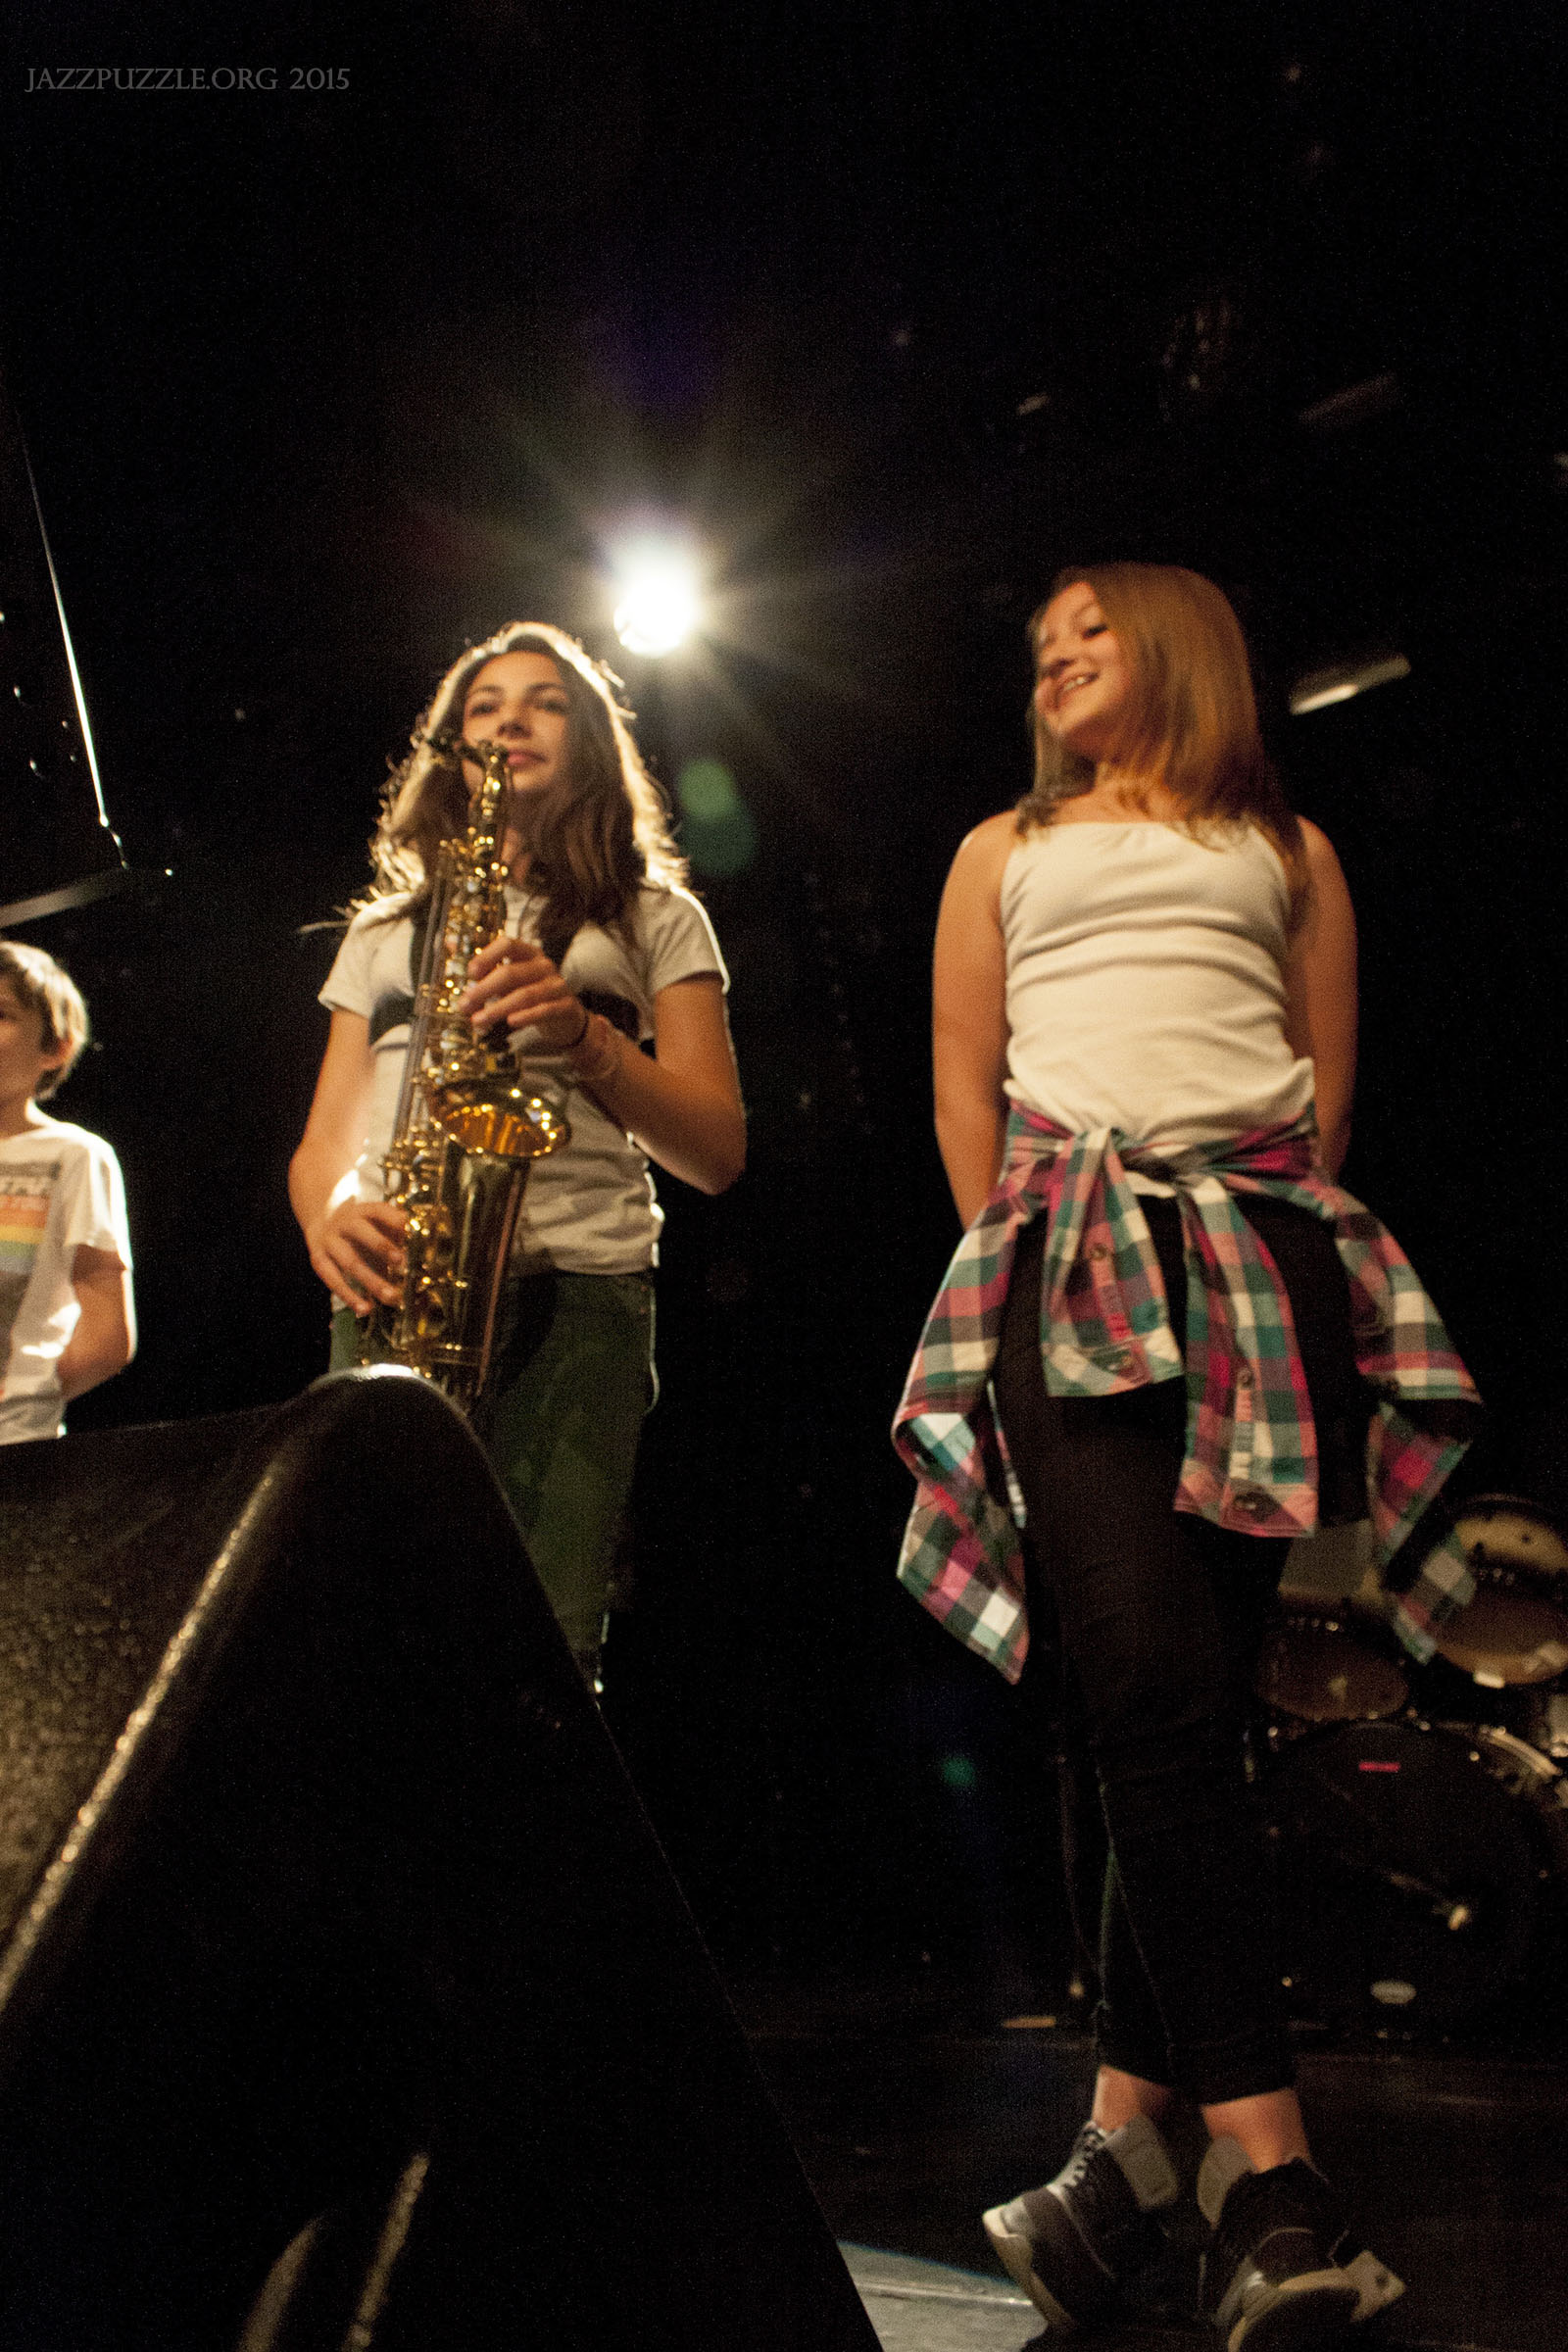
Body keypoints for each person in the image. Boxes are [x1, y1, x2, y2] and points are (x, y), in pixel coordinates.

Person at [892, 565, 1481, 2348]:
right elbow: (966, 1083)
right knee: (1144, 1680)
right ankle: (1272, 2172)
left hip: (1257, 1261)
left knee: (1191, 1713)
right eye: (1041, 647)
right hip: (1067, 1265)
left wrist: (1248, 1234)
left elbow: (1323, 1087)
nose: (1057, 657)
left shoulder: (1286, 852)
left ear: (1180, 646)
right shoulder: (1004, 848)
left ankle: (1117, 2162)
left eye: (1091, 630)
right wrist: (1016, 1272)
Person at [289, 622, 745, 1685]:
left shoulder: (656, 915)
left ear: (591, 741)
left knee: (546, 1643)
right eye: (484, 708)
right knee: (373, 1638)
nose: (510, 722)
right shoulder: (384, 931)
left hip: (582, 1292)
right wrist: (328, 1217)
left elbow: (716, 1151)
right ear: (453, 753)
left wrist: (584, 1035)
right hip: (399, 1290)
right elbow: (323, 1144)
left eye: (545, 701)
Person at [0, 939, 135, 1445]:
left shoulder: (74, 1155)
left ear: (54, 1047)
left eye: (0, 1014)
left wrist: (25, 1400)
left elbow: (106, 1335)